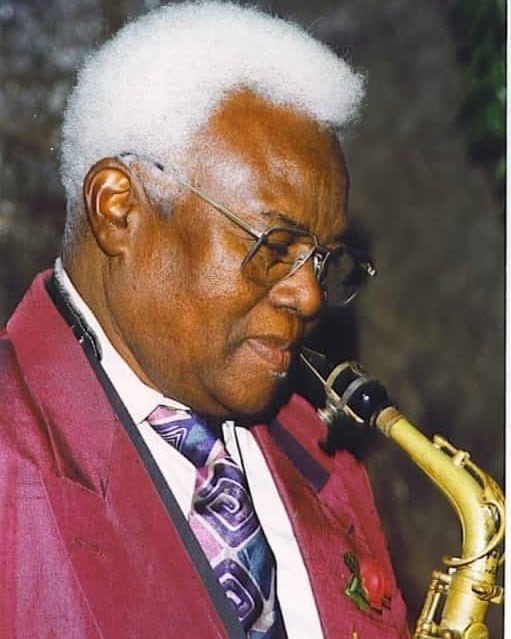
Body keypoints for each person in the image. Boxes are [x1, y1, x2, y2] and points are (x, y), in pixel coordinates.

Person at [0, 3, 409, 638]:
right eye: (274, 245)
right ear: (118, 209)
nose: (308, 297)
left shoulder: (325, 459)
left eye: (325, 261)